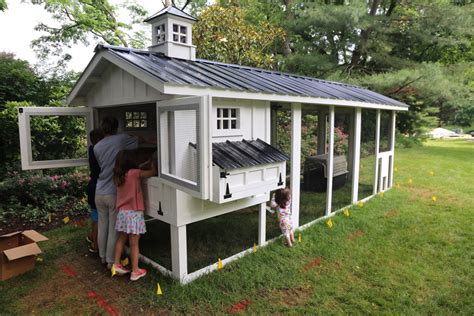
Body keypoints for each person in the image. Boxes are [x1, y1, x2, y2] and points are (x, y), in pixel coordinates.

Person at [94, 116, 139, 269]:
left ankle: (102, 257)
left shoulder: (97, 147)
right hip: (112, 192)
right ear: (116, 127)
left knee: (102, 226)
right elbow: (137, 142)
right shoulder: (121, 139)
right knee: (114, 228)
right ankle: (111, 261)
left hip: (99, 191)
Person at [111, 150, 157, 281]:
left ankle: (116, 264)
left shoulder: (119, 175)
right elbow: (152, 172)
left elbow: (137, 169)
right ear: (131, 161)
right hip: (134, 213)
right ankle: (135, 271)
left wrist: (143, 163)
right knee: (134, 244)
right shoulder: (134, 174)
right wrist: (153, 163)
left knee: (121, 239)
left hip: (122, 213)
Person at [86, 128, 104, 253]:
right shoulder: (98, 151)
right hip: (97, 185)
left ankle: (93, 238)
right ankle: (96, 245)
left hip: (92, 185)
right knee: (98, 218)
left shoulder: (91, 149)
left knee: (94, 216)